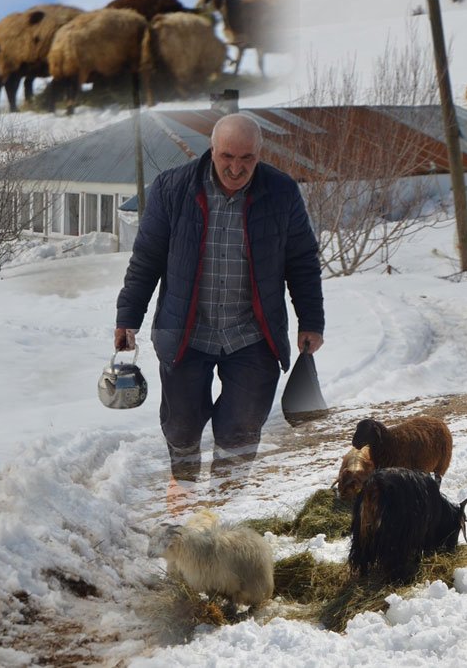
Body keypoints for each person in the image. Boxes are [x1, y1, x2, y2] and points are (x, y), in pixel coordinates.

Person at [114, 113, 324, 503]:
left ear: (259, 155)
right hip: (186, 332)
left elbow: (303, 261)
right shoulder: (173, 189)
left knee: (242, 427)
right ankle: (185, 497)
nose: (236, 167)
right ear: (212, 150)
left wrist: (310, 320)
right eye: (227, 155)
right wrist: (129, 317)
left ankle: (224, 506)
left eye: (247, 158)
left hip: (252, 334)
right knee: (181, 426)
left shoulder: (281, 193)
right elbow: (147, 258)